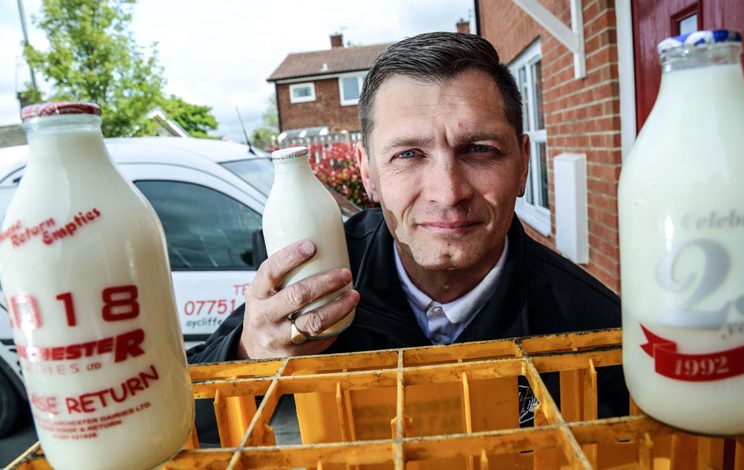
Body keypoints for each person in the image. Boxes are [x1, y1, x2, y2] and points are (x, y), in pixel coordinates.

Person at [188, 31, 626, 440]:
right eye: (409, 154)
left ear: (523, 164)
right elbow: (185, 421)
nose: (448, 192)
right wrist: (249, 355)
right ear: (367, 171)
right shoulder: (315, 278)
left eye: (479, 150)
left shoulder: (599, 328)